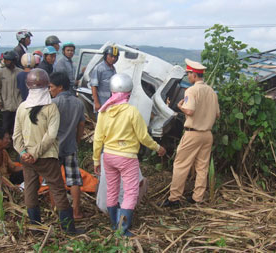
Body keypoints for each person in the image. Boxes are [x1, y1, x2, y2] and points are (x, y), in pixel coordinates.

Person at [93, 73, 166, 236]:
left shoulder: (104, 111)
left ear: (112, 91)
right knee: (130, 192)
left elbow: (98, 138)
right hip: (127, 157)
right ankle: (123, 229)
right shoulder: (132, 112)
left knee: (112, 190)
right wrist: (157, 147)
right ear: (129, 92)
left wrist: (96, 160)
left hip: (109, 156)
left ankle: (114, 224)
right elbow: (143, 137)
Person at [12, 68, 83, 234]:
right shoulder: (51, 108)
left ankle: (36, 227)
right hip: (46, 157)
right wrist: (35, 153)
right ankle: (68, 228)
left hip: (27, 158)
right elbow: (51, 136)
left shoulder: (22, 107)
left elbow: (16, 135)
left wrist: (24, 154)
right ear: (45, 87)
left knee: (30, 189)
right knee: (58, 189)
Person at [162, 59, 220, 208]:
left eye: (188, 73)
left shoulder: (192, 90)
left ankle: (174, 198)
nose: (188, 76)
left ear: (194, 75)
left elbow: (190, 111)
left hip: (193, 133)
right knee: (202, 166)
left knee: (181, 164)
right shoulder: (212, 92)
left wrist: (180, 106)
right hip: (207, 134)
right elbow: (217, 114)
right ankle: (197, 198)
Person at [49, 72, 85, 219]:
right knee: (74, 180)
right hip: (71, 146)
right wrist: (77, 140)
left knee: (53, 179)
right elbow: (81, 124)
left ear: (60, 87)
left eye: (51, 87)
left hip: (54, 147)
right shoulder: (78, 103)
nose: (49, 90)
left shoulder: (53, 104)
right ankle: (76, 211)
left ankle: (55, 209)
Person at [0, 50, 23, 134]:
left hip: (18, 107)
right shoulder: (1, 73)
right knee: (5, 129)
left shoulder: (20, 73)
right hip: (5, 107)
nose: (6, 62)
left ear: (14, 61)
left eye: (8, 60)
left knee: (17, 130)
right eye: (5, 60)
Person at [90, 45, 119, 112]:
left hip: (110, 103)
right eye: (111, 56)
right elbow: (93, 86)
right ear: (105, 56)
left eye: (115, 57)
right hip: (101, 103)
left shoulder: (113, 69)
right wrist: (96, 103)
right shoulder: (99, 68)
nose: (113, 59)